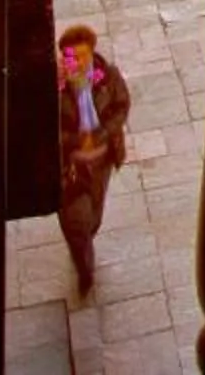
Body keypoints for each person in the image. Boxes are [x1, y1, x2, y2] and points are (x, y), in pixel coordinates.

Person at [55, 23, 133, 295]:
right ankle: (84, 265)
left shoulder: (107, 77)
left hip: (101, 159)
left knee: (95, 213)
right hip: (71, 164)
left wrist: (102, 133)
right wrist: (75, 141)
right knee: (75, 221)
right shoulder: (55, 88)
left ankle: (86, 237)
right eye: (71, 57)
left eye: (82, 56)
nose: (76, 63)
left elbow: (122, 106)